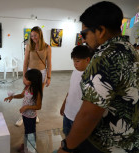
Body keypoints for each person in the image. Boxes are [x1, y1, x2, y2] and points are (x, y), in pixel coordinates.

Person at [58, 1, 139, 153]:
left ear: (100, 31)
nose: (83, 40)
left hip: (104, 145)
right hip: (128, 142)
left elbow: (89, 114)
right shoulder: (130, 50)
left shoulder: (104, 57)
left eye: (84, 34)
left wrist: (67, 147)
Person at [15, 26, 52, 126]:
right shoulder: (29, 46)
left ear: (40, 34)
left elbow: (49, 63)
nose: (33, 38)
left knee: (37, 95)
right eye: (31, 36)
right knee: (27, 93)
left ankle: (35, 114)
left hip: (41, 73)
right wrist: (24, 76)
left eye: (35, 35)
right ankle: (22, 115)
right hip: (30, 72)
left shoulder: (47, 47)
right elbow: (25, 61)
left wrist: (48, 77)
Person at [4, 69, 43, 152]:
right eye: (25, 77)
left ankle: (31, 148)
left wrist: (26, 107)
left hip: (31, 117)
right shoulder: (27, 87)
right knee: (27, 130)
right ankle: (26, 144)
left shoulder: (37, 92)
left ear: (33, 81)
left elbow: (38, 106)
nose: (24, 79)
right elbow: (22, 95)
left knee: (31, 132)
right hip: (25, 115)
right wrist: (12, 97)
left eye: (26, 79)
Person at [60, 45, 92, 137]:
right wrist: (63, 105)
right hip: (67, 113)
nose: (75, 64)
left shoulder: (90, 77)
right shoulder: (75, 72)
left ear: (87, 60)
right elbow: (70, 91)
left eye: (77, 61)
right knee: (67, 136)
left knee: (76, 141)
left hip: (78, 117)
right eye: (73, 61)